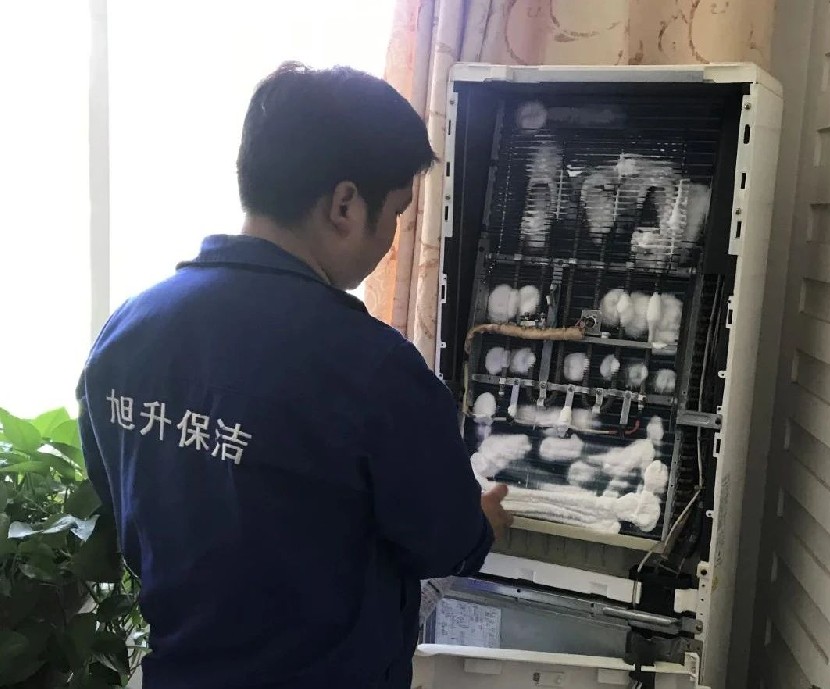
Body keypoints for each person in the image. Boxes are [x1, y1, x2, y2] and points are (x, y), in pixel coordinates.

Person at [76, 63, 512, 689]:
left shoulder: (127, 332)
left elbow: (119, 494)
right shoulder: (375, 369)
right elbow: (443, 542)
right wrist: (481, 527)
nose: (391, 238)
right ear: (344, 204)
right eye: (395, 212)